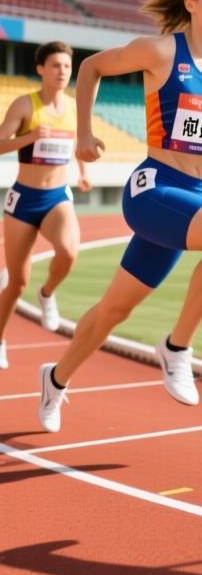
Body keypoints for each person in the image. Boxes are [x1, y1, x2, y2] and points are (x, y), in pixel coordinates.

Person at [37, 0, 202, 432]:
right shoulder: (161, 51)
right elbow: (90, 68)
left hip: (193, 196)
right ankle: (176, 347)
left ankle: (56, 380)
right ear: (191, 4)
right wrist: (83, 136)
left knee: (114, 309)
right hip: (154, 188)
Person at [0, 42, 92, 369]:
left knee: (68, 251)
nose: (62, 71)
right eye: (55, 65)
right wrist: (30, 136)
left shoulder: (74, 107)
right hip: (24, 199)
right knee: (16, 283)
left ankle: (48, 293)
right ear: (41, 69)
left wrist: (83, 172)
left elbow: (80, 143)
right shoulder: (25, 105)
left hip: (56, 197)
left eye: (67, 66)